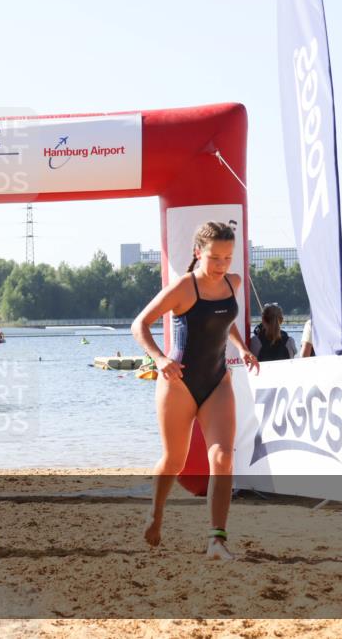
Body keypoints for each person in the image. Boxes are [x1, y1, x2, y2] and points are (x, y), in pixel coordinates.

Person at [131, 221, 259, 561]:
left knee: (224, 457)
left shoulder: (233, 282)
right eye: (215, 257)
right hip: (179, 382)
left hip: (218, 380)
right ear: (197, 252)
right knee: (175, 459)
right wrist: (158, 359)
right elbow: (139, 324)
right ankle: (156, 513)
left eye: (228, 257)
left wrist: (242, 348)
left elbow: (224, 322)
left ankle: (216, 539)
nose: (222, 265)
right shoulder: (183, 288)